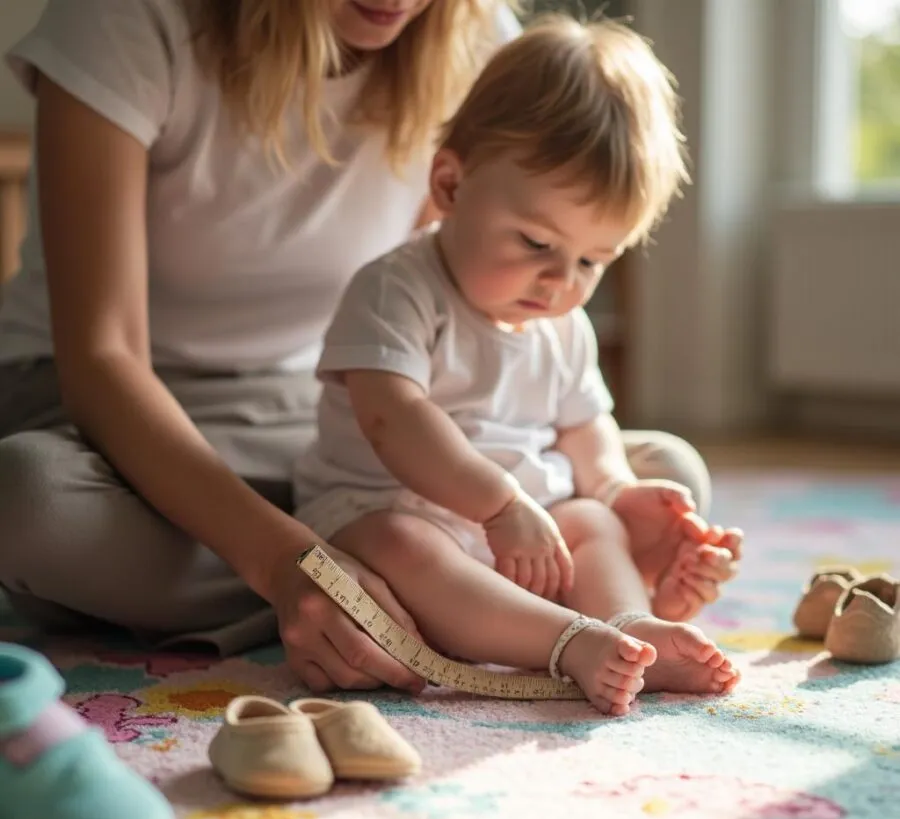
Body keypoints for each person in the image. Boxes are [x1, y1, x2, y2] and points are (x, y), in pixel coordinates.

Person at [0, 0, 720, 697]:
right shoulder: (129, 17)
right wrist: (287, 564)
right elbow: (104, 360)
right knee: (28, 502)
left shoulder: (476, 37)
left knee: (664, 474)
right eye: (538, 245)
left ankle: (437, 599)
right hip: (120, 413)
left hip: (336, 413)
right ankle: (419, 593)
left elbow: (454, 312)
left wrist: (610, 492)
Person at [293, 15, 743, 714]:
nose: (561, 281)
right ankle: (568, 642)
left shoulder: (561, 322)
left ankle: (629, 630)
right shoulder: (395, 289)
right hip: (387, 509)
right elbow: (393, 419)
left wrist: (616, 490)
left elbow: (586, 425)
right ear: (451, 185)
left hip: (524, 525)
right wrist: (499, 505)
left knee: (593, 522)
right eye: (536, 243)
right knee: (401, 544)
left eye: (592, 261)